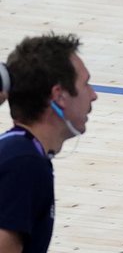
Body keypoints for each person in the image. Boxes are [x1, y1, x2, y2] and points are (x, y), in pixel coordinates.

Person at [0, 33, 97, 253]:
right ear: (59, 95)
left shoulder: (17, 151)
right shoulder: (23, 164)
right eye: (86, 84)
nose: (93, 95)